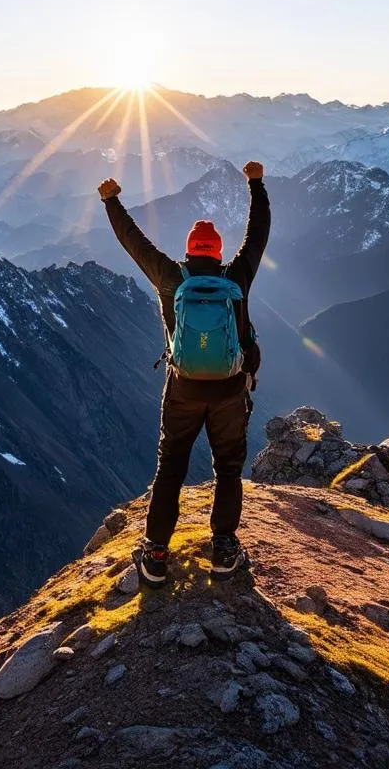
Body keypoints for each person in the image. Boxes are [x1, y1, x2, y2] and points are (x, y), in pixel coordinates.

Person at [98, 161, 270, 587]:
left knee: (171, 466)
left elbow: (132, 242)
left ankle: (156, 555)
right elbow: (258, 232)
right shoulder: (237, 277)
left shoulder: (170, 278)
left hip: (183, 389)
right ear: (218, 252)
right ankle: (225, 549)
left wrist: (111, 201)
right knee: (228, 468)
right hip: (231, 389)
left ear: (191, 251)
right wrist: (256, 185)